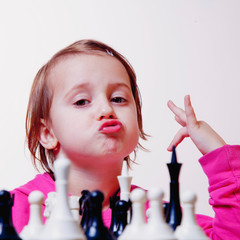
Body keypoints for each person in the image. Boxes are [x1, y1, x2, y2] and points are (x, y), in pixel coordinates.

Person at [10, 39, 240, 239]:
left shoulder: (159, 217)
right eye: (81, 101)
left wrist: (217, 153)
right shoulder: (15, 210)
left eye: (119, 99)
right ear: (47, 133)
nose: (106, 109)